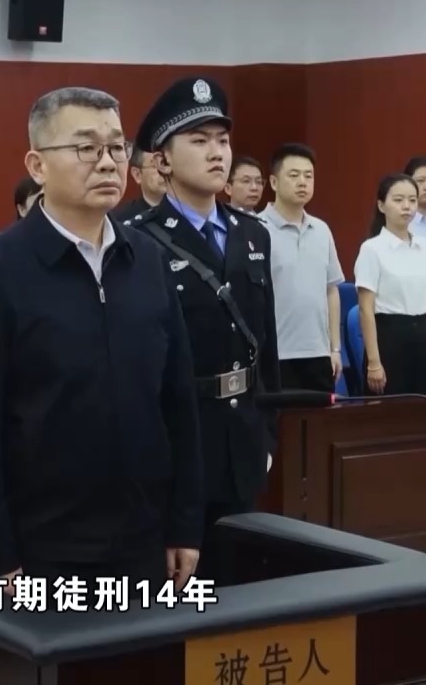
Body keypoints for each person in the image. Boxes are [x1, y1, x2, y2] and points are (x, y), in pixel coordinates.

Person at [0, 86, 204, 590]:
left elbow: (178, 401)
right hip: (42, 549)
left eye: (116, 147)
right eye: (86, 147)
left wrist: (185, 523)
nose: (107, 162)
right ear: (37, 166)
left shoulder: (148, 260)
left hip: (146, 541)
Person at [128, 76, 280, 575]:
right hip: (179, 440)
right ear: (162, 161)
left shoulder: (252, 233)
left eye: (223, 140)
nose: (217, 153)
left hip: (242, 438)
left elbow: (265, 344)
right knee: (181, 589)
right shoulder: (137, 242)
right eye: (199, 141)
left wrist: (267, 433)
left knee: (242, 579)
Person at [261, 143, 343, 392]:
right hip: (274, 355)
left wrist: (335, 348)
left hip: (319, 354)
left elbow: (331, 291)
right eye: (294, 175)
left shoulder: (322, 229)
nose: (302, 182)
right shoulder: (256, 229)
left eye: (309, 176)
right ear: (274, 182)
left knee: (322, 417)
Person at [355, 174, 426, 396]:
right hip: (389, 338)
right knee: (390, 411)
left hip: (423, 337)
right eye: (398, 200)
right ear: (381, 205)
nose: (407, 206)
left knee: (425, 408)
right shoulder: (372, 249)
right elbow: (366, 308)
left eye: (412, 200)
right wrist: (374, 362)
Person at [110, 140, 167, 223]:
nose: (165, 171)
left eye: (166, 163)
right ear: (137, 175)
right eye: (155, 165)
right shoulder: (120, 222)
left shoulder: (187, 211)